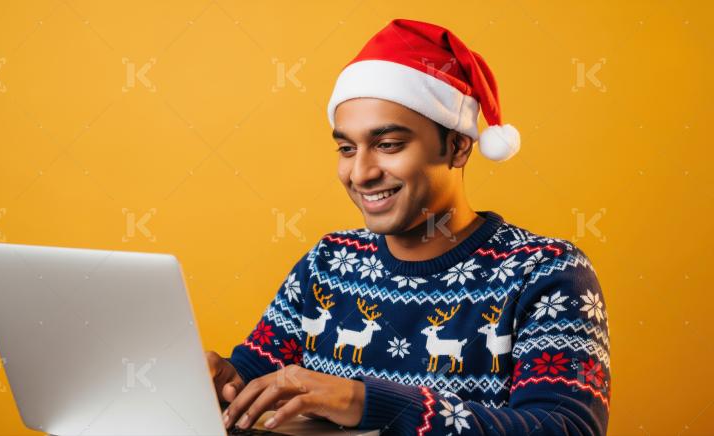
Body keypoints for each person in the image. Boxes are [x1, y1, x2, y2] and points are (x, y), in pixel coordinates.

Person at [206, 18, 610, 435]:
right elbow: (255, 376)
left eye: (388, 145)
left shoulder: (544, 273)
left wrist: (367, 402)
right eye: (346, 148)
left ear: (457, 147)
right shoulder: (327, 263)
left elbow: (566, 427)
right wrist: (223, 382)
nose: (360, 173)